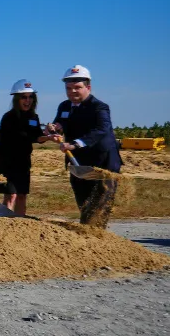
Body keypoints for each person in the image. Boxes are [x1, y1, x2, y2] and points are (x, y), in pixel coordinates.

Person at [49, 65, 122, 224]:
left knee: (101, 204)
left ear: (88, 87)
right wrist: (54, 130)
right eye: (69, 88)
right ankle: (86, 235)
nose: (72, 91)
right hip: (78, 163)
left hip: (103, 163)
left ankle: (96, 237)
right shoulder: (64, 106)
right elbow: (59, 124)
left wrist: (75, 144)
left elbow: (101, 129)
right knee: (83, 201)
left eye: (77, 88)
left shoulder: (99, 107)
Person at [0, 79, 50, 217]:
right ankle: (6, 223)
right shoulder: (9, 117)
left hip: (23, 162)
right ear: (17, 99)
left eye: (30, 97)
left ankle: (20, 223)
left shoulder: (34, 117)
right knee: (11, 195)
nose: (27, 101)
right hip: (6, 161)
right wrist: (41, 136)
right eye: (24, 97)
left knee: (22, 194)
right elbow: (24, 136)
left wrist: (48, 135)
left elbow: (37, 136)